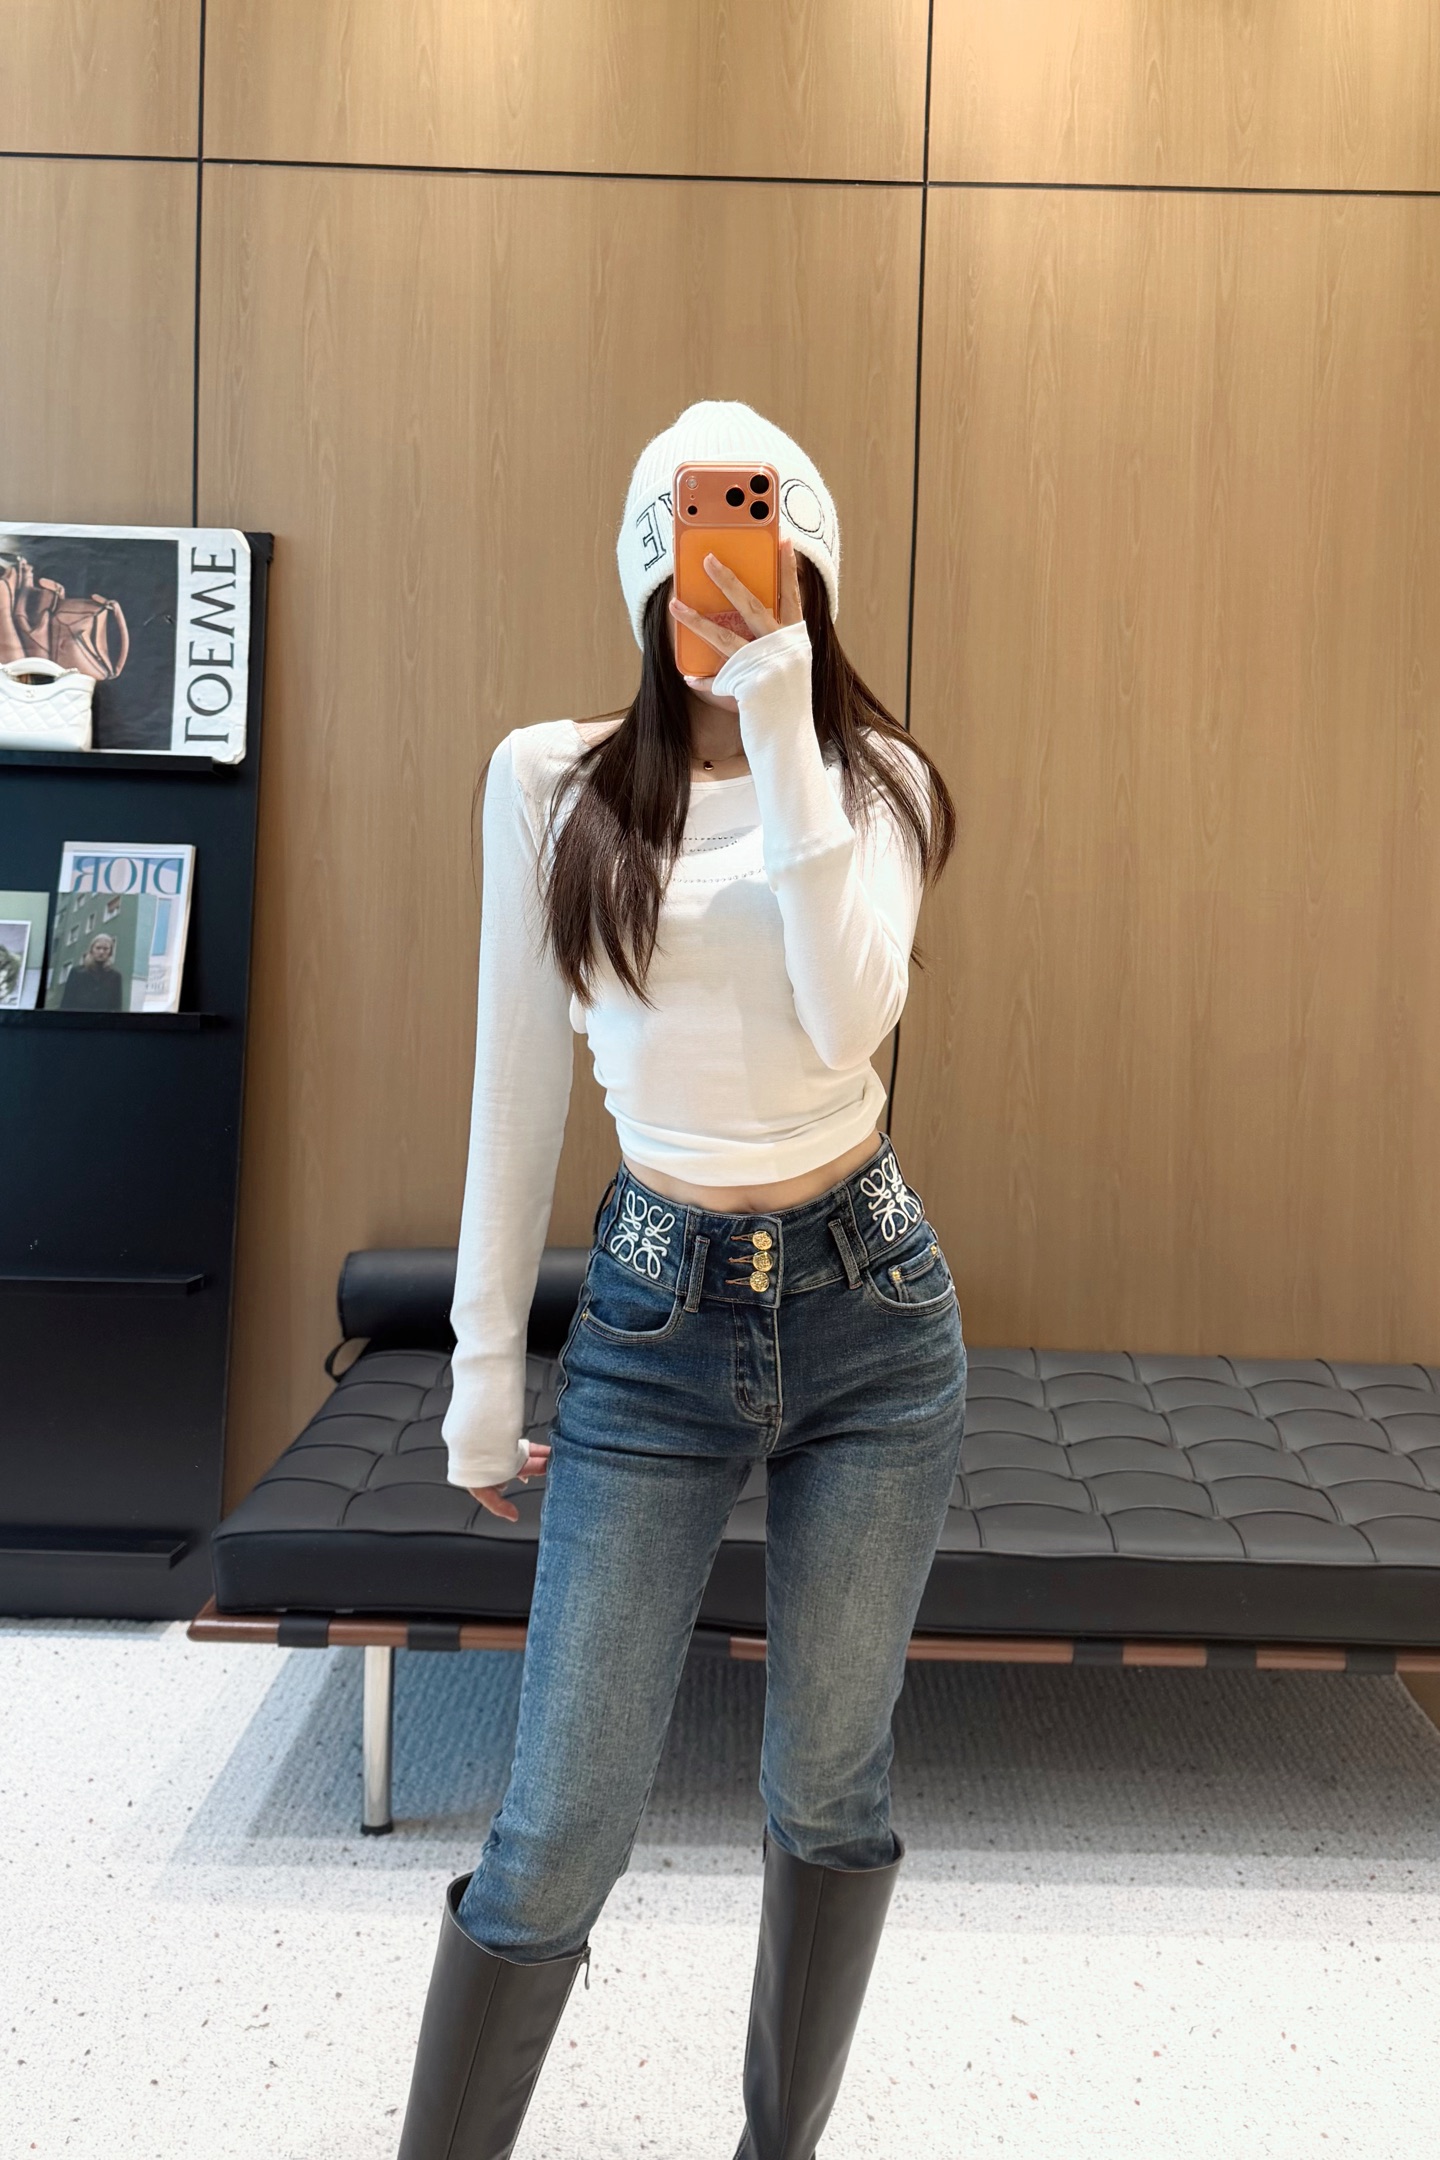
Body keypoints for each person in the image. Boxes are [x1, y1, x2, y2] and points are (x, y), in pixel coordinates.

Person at [397, 400, 965, 2159]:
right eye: (697, 557)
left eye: (761, 552)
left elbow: (847, 1021)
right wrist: (483, 1377)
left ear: (811, 572)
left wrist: (786, 718)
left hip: (873, 1315)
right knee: (559, 1825)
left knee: (828, 1786)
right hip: (650, 1315)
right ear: (649, 575)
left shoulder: (879, 786)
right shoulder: (546, 784)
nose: (724, 589)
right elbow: (514, 1091)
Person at [58, 931, 123, 1011]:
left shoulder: (115, 976)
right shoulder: (77, 972)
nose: (101, 952)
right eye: (98, 948)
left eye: (105, 949)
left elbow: (116, 1007)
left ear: (110, 952)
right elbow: (66, 1003)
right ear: (91, 950)